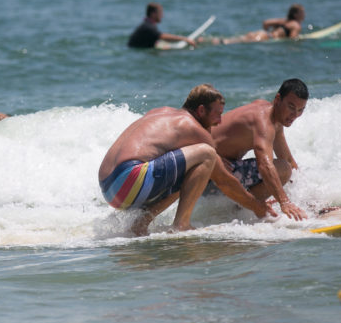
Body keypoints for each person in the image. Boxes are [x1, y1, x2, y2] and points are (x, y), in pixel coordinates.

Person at [99, 84, 271, 236]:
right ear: (201, 110)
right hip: (131, 180)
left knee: (187, 171)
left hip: (110, 189)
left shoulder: (161, 112)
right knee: (206, 154)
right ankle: (182, 224)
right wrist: (257, 207)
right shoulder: (192, 126)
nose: (219, 121)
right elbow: (224, 180)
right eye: (217, 114)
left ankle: (140, 224)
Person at [209, 78, 309, 221]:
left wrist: (309, 202)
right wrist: (284, 202)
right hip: (210, 174)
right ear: (278, 99)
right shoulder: (263, 121)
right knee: (282, 169)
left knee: (285, 166)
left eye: (300, 110)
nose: (294, 115)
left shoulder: (275, 117)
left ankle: (242, 203)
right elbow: (265, 165)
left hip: (220, 170)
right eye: (291, 107)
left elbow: (288, 160)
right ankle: (242, 206)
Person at [127, 3, 200, 49]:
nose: (162, 15)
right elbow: (162, 36)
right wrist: (185, 39)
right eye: (160, 13)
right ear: (153, 14)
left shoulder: (146, 24)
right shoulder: (148, 27)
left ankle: (199, 40)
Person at [221, 4, 305, 44]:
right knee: (231, 42)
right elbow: (292, 39)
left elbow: (266, 23)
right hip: (264, 37)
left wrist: (268, 32)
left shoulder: (284, 21)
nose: (304, 14)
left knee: (227, 41)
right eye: (302, 12)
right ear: (295, 14)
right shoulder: (296, 25)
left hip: (261, 33)